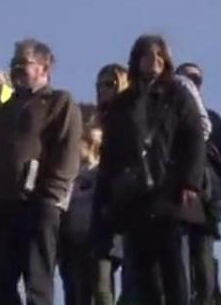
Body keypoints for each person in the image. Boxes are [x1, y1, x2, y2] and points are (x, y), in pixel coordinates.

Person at [95, 35, 206, 305]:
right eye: (147, 55)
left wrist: (190, 183)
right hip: (134, 198)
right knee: (143, 276)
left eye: (159, 55)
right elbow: (110, 154)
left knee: (175, 271)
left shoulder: (178, 96)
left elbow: (194, 139)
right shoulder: (122, 104)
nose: (154, 61)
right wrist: (107, 196)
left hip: (169, 191)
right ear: (136, 60)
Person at [0, 38, 83, 305]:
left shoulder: (59, 102)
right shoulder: (1, 113)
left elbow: (67, 151)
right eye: (13, 63)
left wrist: (51, 198)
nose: (16, 68)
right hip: (1, 206)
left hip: (38, 204)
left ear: (44, 67)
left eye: (23, 62)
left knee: (37, 283)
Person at [176, 62, 221, 305]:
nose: (191, 84)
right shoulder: (168, 118)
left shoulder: (211, 119)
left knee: (203, 252)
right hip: (176, 193)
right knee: (179, 255)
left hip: (207, 194)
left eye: (196, 80)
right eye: (185, 79)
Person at [89, 64, 128, 305]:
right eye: (100, 85)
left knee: (134, 279)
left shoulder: (134, 117)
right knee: (100, 280)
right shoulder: (94, 121)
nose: (104, 90)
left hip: (130, 202)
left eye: (110, 84)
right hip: (102, 203)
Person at [59, 110, 103, 305]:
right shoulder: (70, 174)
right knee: (72, 291)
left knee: (96, 290)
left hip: (93, 240)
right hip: (69, 241)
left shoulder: (101, 173)